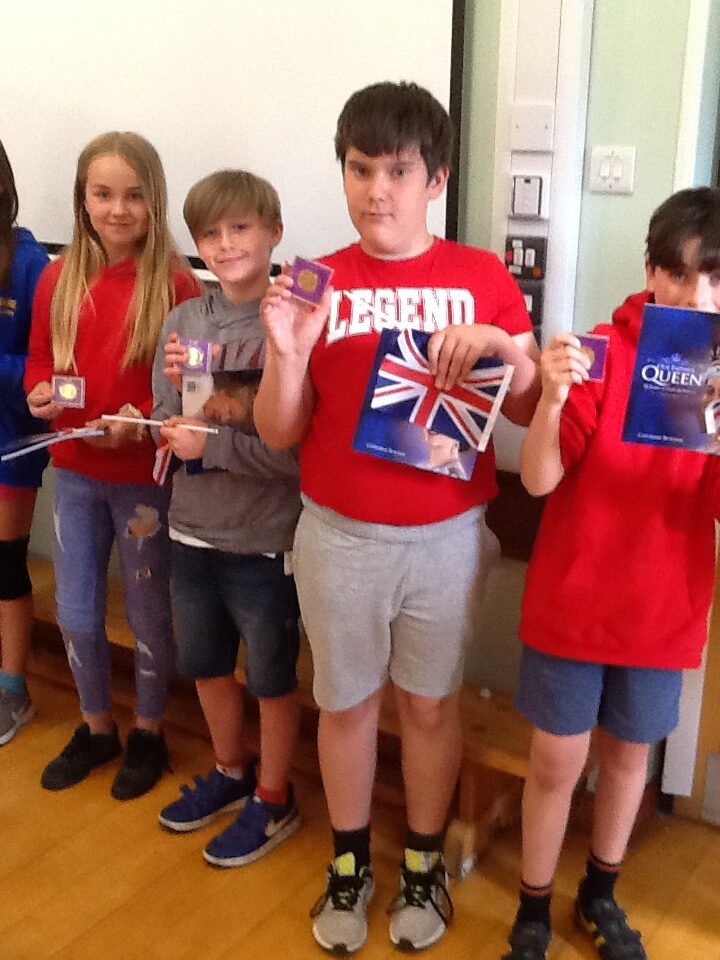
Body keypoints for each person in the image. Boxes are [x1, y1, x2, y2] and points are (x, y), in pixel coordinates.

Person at [256, 81, 540, 955]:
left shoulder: (480, 277)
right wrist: (288, 358)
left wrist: (503, 348)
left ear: (436, 179)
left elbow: (532, 409)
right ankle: (349, 863)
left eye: (398, 170)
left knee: (428, 706)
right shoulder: (316, 279)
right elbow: (279, 432)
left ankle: (421, 862)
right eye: (359, 168)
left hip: (446, 540)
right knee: (345, 705)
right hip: (338, 535)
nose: (377, 189)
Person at [504, 186, 720, 960]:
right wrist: (553, 400)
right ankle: (533, 904)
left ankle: (601, 890)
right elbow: (537, 480)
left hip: (664, 605)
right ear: (651, 272)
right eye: (680, 274)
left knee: (630, 757)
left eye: (715, 279)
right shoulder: (600, 351)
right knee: (557, 759)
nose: (697, 296)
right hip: (575, 598)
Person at [24, 132, 201, 800]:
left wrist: (143, 416)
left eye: (133, 196)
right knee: (74, 611)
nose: (118, 209)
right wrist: (37, 392)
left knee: (150, 614)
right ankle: (97, 726)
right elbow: (39, 360)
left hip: (142, 483)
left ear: (155, 202)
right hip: (73, 472)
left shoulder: (176, 284)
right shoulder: (57, 276)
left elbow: (191, 389)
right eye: (103, 194)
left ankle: (148, 732)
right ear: (83, 199)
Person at [152, 169, 302, 867]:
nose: (225, 243)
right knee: (206, 665)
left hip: (264, 543)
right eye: (209, 232)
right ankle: (231, 770)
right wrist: (169, 419)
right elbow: (166, 418)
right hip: (190, 530)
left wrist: (209, 441)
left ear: (274, 232)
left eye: (240, 227)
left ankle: (274, 796)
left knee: (270, 678)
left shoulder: (290, 325)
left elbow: (292, 456)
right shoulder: (184, 321)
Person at [0, 139, 50, 745]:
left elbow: (47, 372)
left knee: (5, 566)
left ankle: (12, 689)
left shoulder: (31, 263)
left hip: (12, 439)